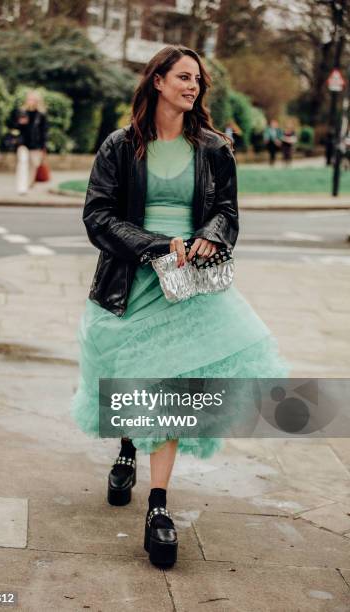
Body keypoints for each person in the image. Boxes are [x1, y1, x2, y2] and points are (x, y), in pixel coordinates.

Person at [71, 45, 290, 568]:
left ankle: (159, 507)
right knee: (130, 378)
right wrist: (152, 244)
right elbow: (97, 217)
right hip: (131, 280)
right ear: (158, 82)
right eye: (184, 77)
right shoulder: (120, 147)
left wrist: (212, 236)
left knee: (168, 387)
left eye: (198, 80)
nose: (193, 86)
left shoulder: (215, 147)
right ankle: (127, 447)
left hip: (189, 284)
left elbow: (227, 213)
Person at [15, 90, 47, 195]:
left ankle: (29, 184)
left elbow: (43, 132)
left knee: (33, 165)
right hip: (23, 143)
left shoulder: (41, 115)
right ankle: (22, 187)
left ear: (37, 101)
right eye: (29, 99)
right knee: (23, 163)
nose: (30, 101)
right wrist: (20, 123)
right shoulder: (22, 112)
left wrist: (43, 147)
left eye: (33, 99)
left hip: (36, 145)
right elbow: (15, 128)